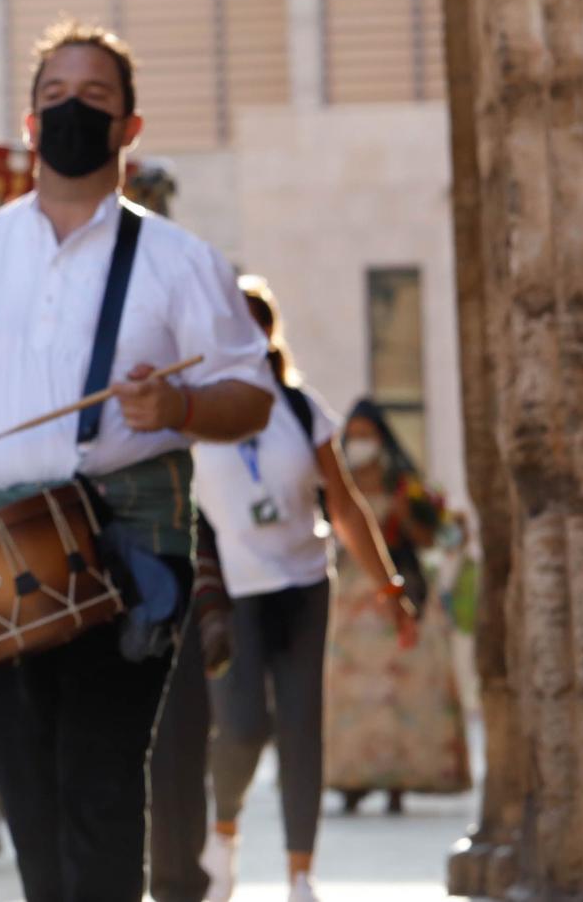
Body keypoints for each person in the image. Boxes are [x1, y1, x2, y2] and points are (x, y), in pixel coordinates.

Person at [0, 23, 274, 902]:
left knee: (98, 777)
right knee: (27, 788)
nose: (72, 112)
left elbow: (252, 394)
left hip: (126, 546)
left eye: (94, 98)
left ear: (130, 126)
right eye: (55, 96)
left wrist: (183, 407)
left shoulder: (181, 261)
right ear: (28, 118)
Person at [190, 277, 416, 902]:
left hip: (304, 581)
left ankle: (299, 874)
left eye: (254, 325)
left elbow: (343, 503)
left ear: (267, 334)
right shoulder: (194, 413)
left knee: (300, 724)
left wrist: (389, 586)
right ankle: (224, 828)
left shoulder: (299, 408)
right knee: (241, 727)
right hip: (235, 587)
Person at [323, 398, 473, 815]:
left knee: (402, 685)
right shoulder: (336, 482)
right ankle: (351, 779)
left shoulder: (403, 487)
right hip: (351, 596)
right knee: (349, 688)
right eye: (352, 436)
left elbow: (430, 540)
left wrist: (411, 517)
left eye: (366, 436)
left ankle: (398, 782)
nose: (359, 444)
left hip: (400, 589)